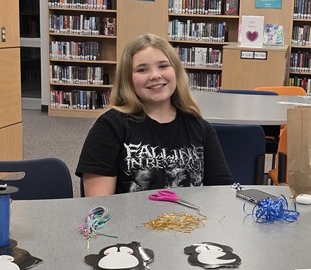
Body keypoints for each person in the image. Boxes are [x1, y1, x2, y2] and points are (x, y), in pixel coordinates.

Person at [76, 34, 233, 196]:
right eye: (142, 69)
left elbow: (221, 196)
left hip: (191, 220)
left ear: (176, 71)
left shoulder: (201, 128)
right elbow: (99, 208)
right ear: (128, 79)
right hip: (128, 221)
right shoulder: (110, 126)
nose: (155, 75)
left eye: (163, 66)